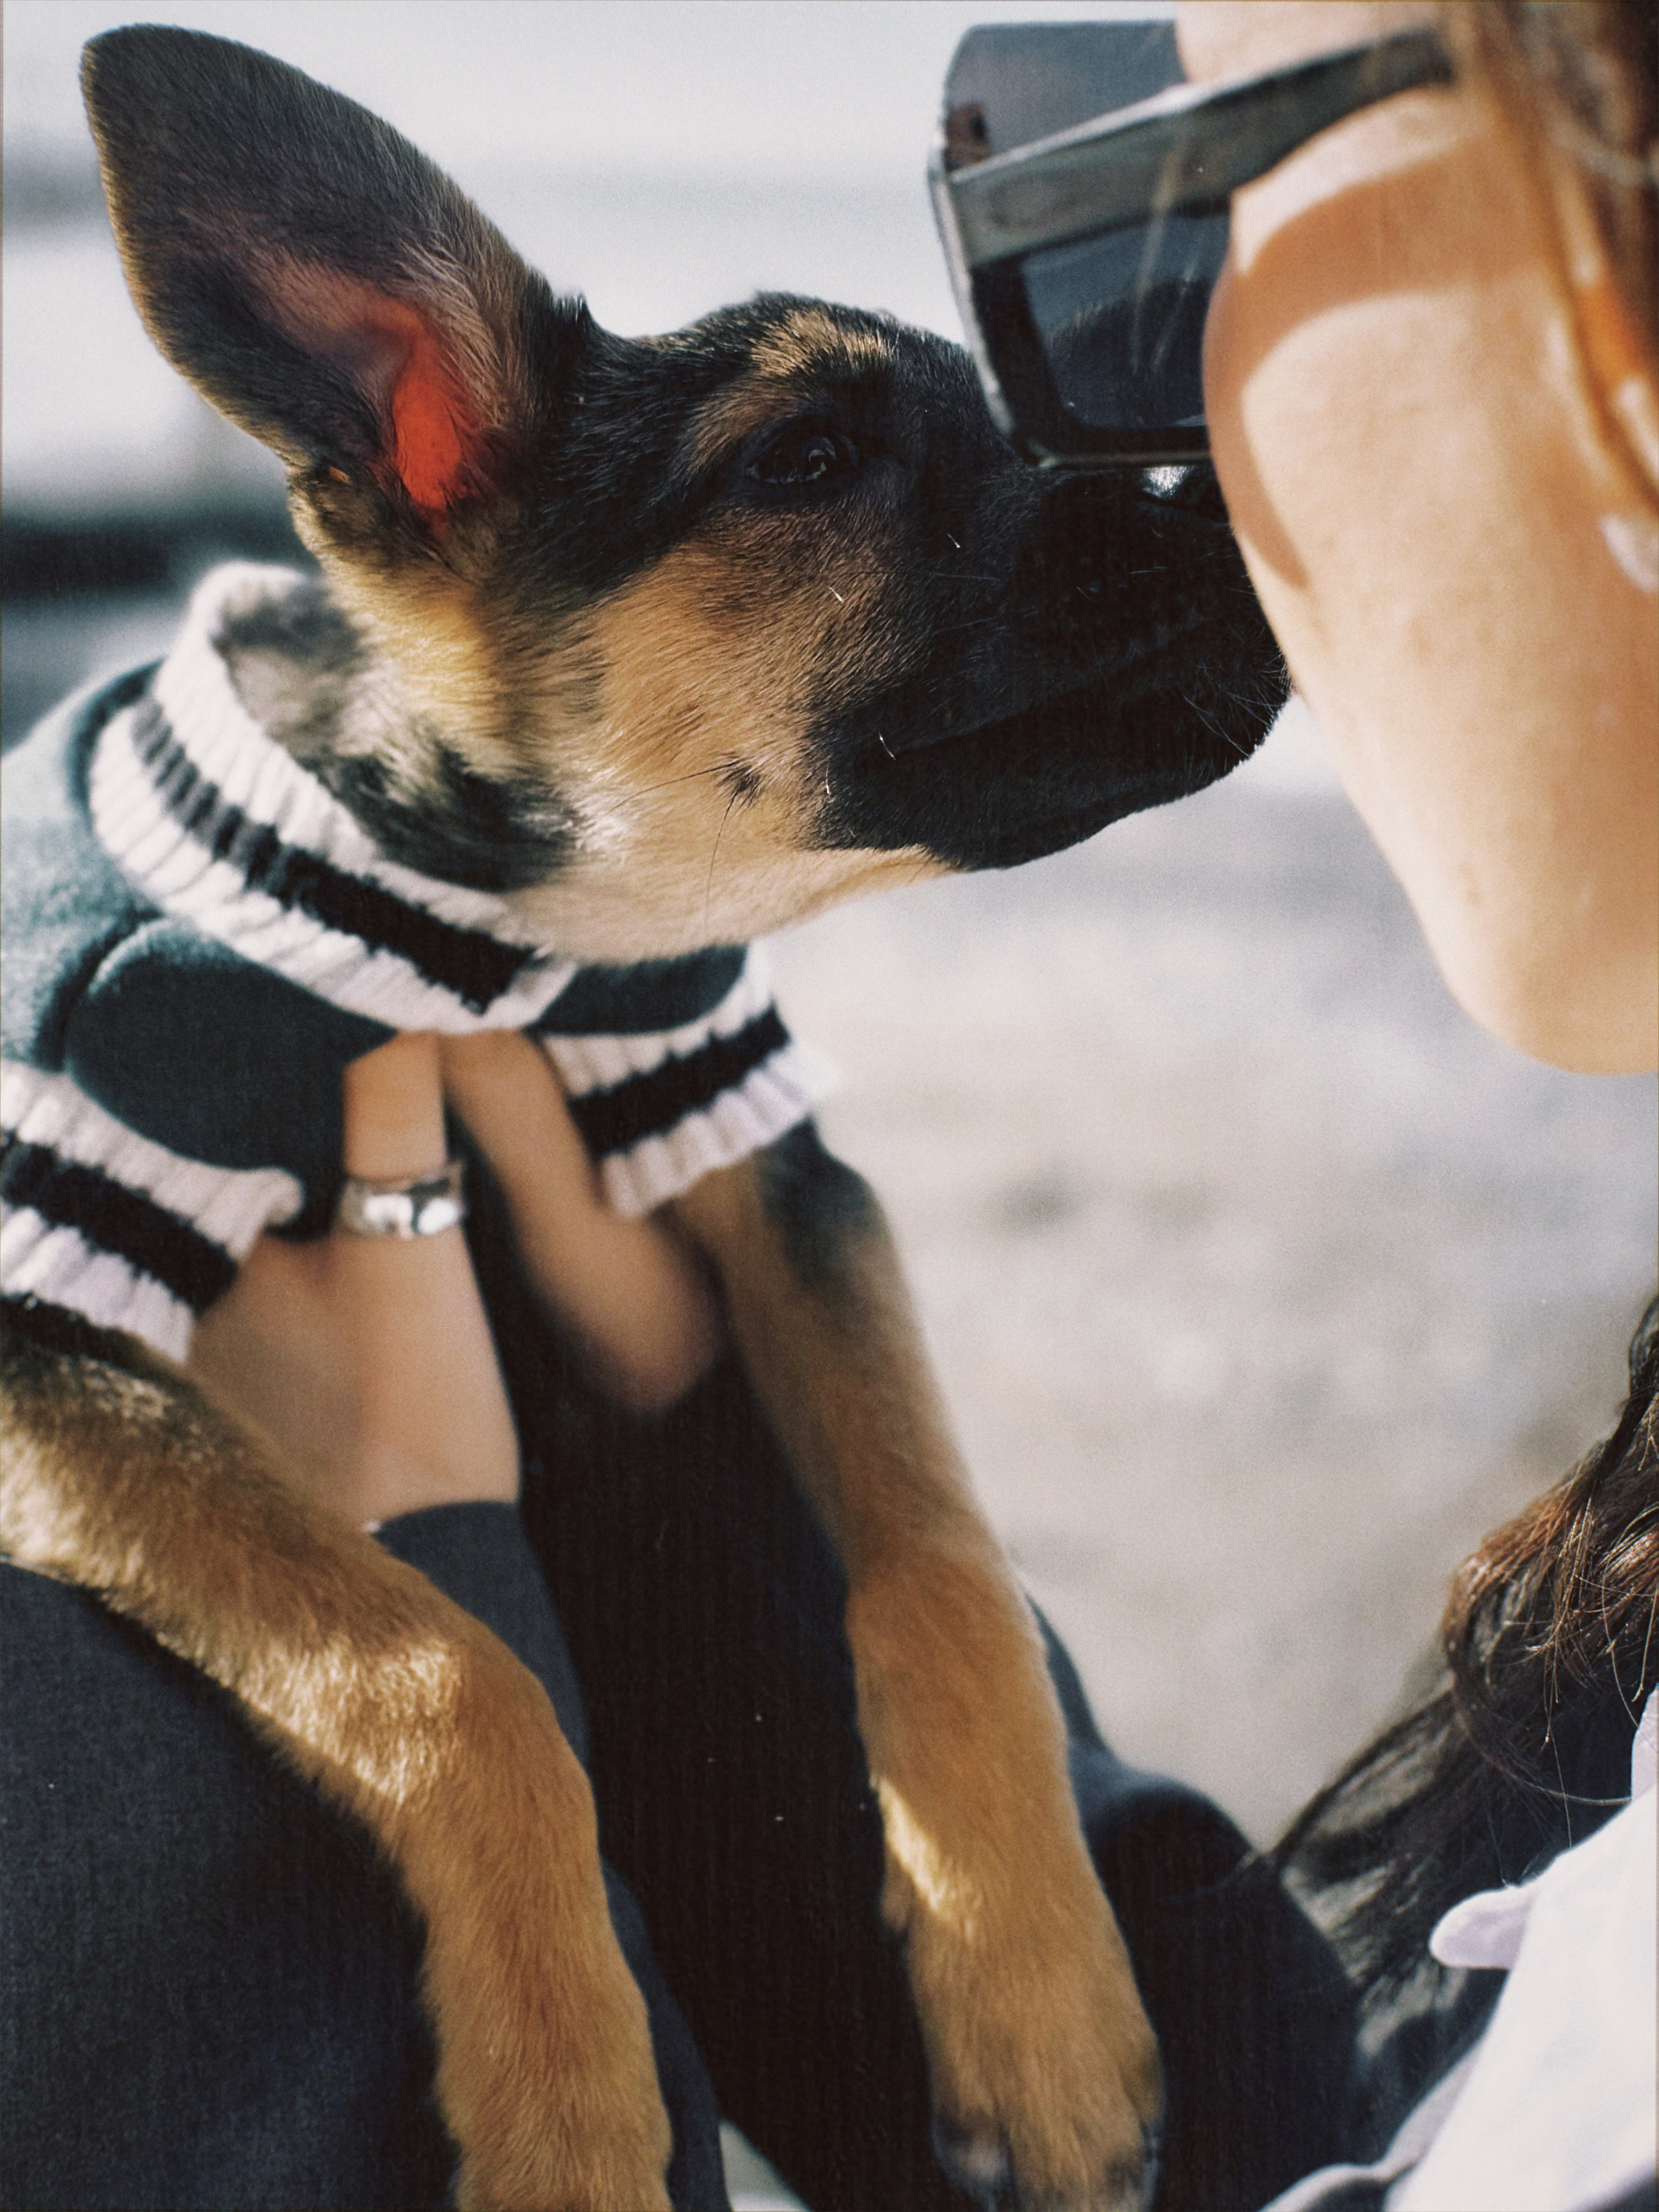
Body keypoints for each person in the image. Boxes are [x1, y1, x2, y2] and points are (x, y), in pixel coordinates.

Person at [3, 3, 1653, 2207]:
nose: (1162, 465)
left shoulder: (639, 918)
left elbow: (785, 1190)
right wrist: (453, 1697)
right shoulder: (137, 956)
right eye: (809, 466)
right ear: (430, 467)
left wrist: (931, 1633)